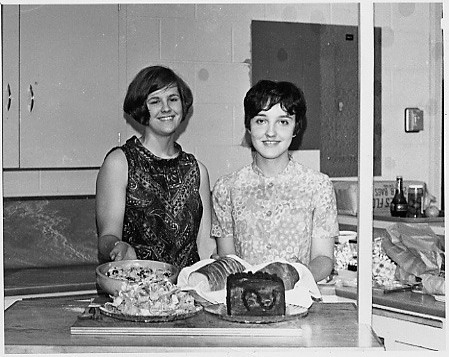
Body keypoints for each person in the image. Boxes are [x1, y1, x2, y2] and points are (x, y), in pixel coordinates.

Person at [211, 80, 339, 282]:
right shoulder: (226, 188)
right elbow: (229, 259)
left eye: (283, 122)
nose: (271, 132)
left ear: (296, 128)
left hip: (299, 298)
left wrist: (292, 281)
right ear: (248, 126)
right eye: (261, 121)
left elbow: (323, 259)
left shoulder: (318, 185)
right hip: (244, 301)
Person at [96, 65, 216, 270]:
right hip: (136, 289)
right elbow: (107, 237)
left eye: (173, 99)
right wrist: (117, 247)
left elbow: (205, 246)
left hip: (186, 292)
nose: (166, 108)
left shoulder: (197, 170)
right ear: (142, 109)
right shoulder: (120, 162)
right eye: (155, 101)